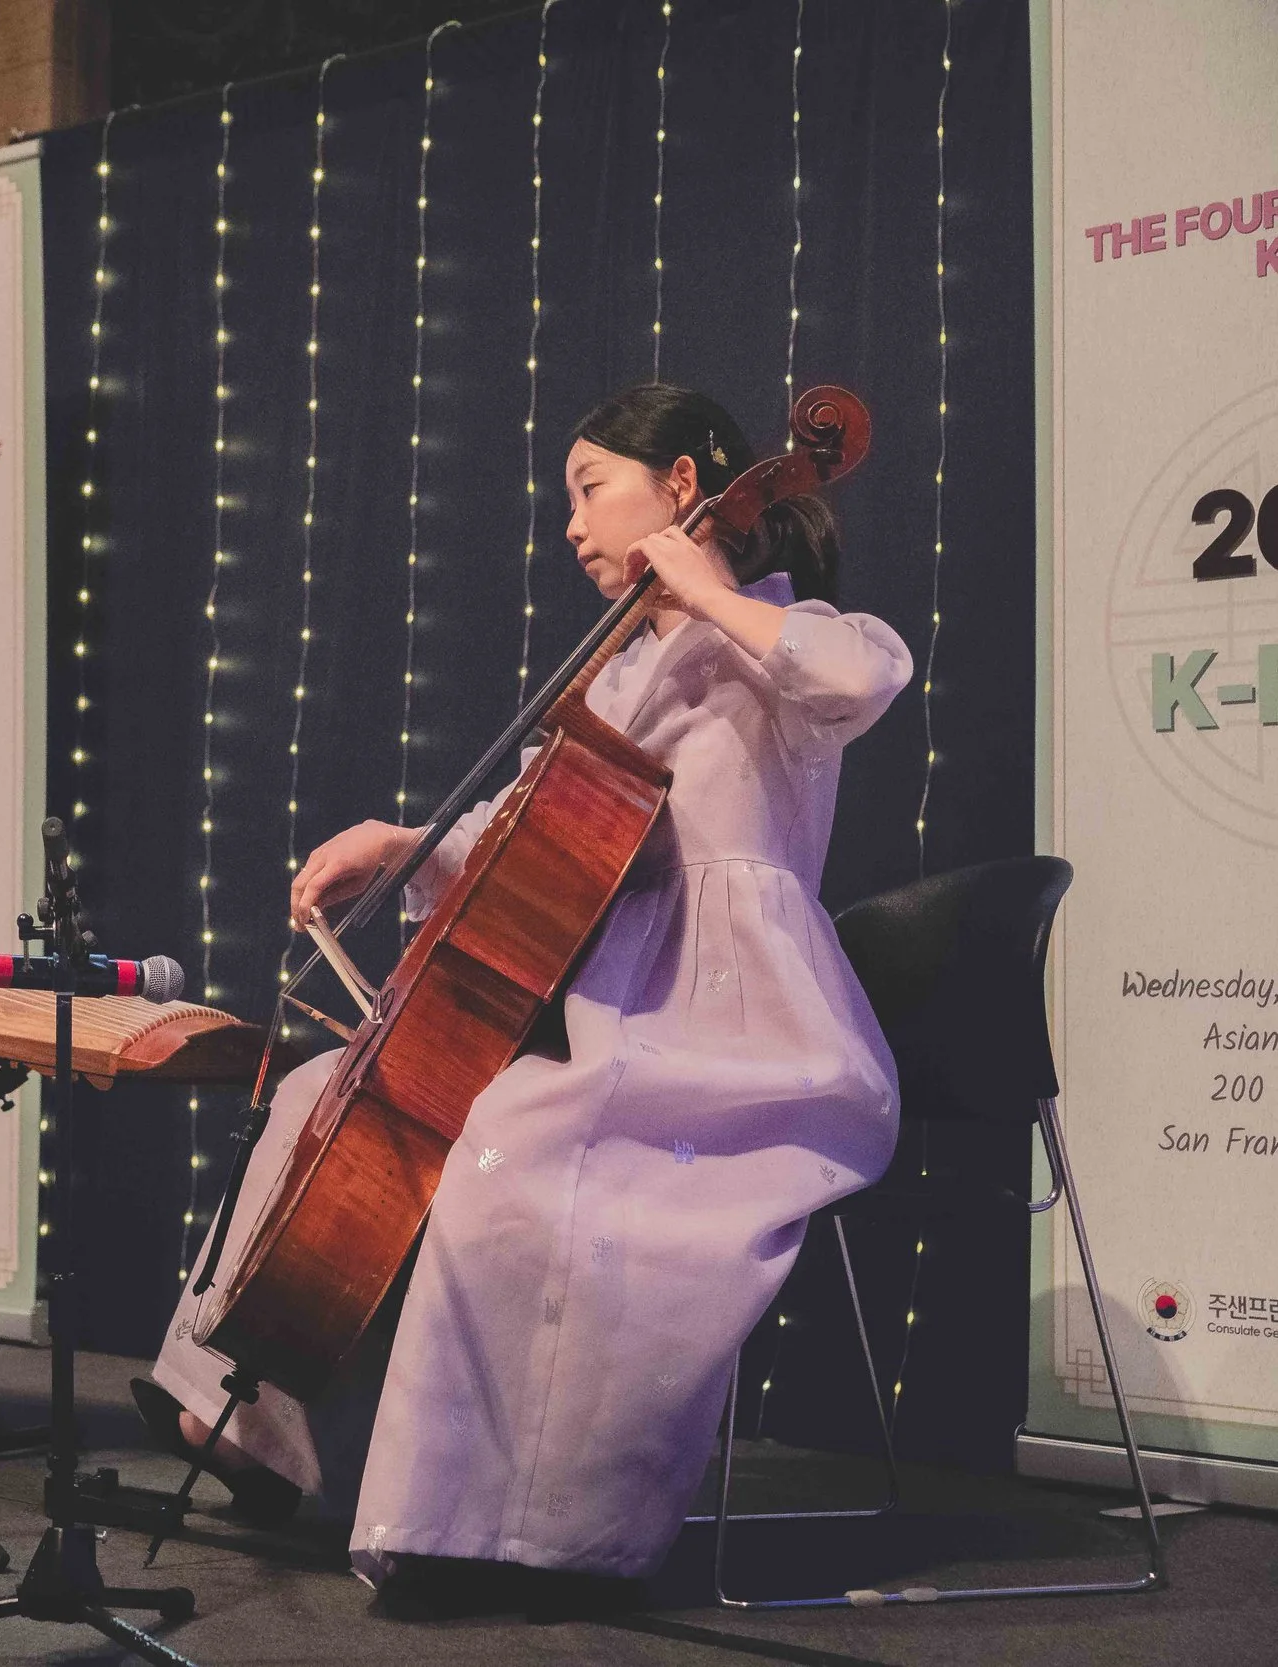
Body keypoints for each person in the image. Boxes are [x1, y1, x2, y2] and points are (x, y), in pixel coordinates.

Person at [138, 383, 913, 1612]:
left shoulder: (779, 630)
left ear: (682, 486)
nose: (571, 524)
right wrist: (401, 842)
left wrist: (704, 588)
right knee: (324, 1086)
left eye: (591, 488)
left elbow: (865, 671)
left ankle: (508, 1527)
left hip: (731, 1022)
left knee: (515, 1144)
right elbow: (523, 835)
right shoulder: (614, 677)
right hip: (603, 1006)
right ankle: (245, 1418)